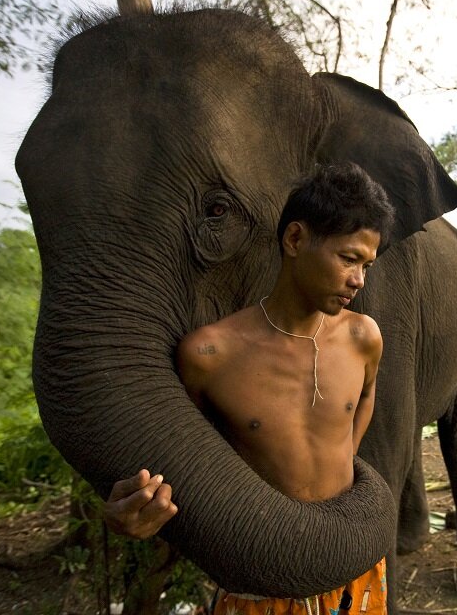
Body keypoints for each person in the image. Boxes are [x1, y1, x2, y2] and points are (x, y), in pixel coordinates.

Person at [103, 163, 395, 615]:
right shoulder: (210, 356)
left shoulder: (364, 338)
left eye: (367, 265)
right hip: (260, 587)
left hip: (354, 573)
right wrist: (136, 510)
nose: (359, 280)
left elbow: (365, 399)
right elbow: (177, 460)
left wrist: (340, 464)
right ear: (295, 240)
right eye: (349, 258)